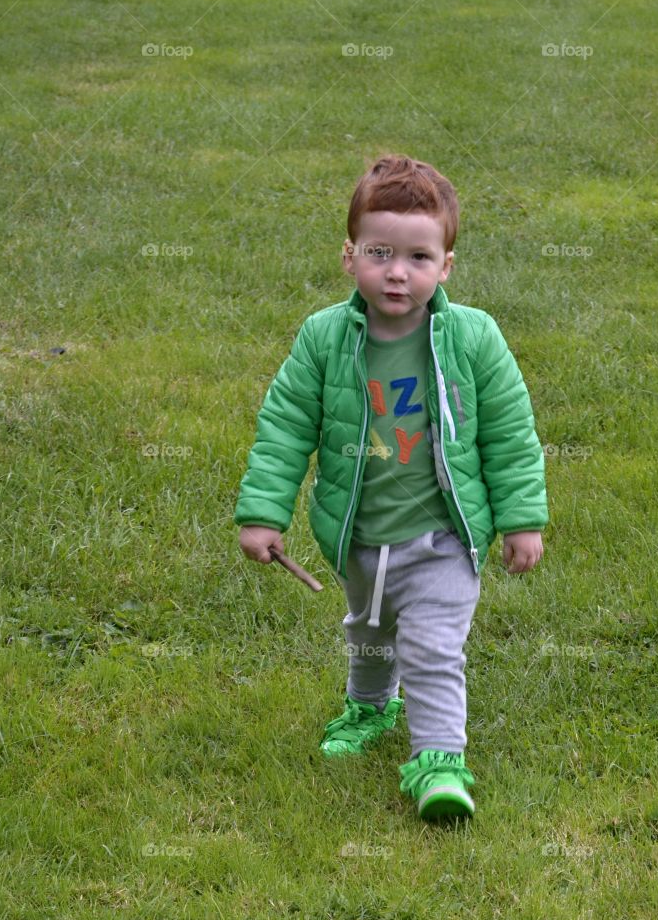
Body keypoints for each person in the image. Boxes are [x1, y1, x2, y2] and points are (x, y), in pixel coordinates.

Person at [233, 153, 547, 821]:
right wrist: (264, 512)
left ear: (447, 266)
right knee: (370, 635)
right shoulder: (324, 339)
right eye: (380, 252)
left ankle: (440, 764)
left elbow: (511, 435)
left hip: (441, 539)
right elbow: (285, 427)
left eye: (418, 257)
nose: (397, 272)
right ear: (349, 257)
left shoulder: (473, 338)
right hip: (360, 535)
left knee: (433, 648)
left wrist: (522, 520)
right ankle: (370, 707)